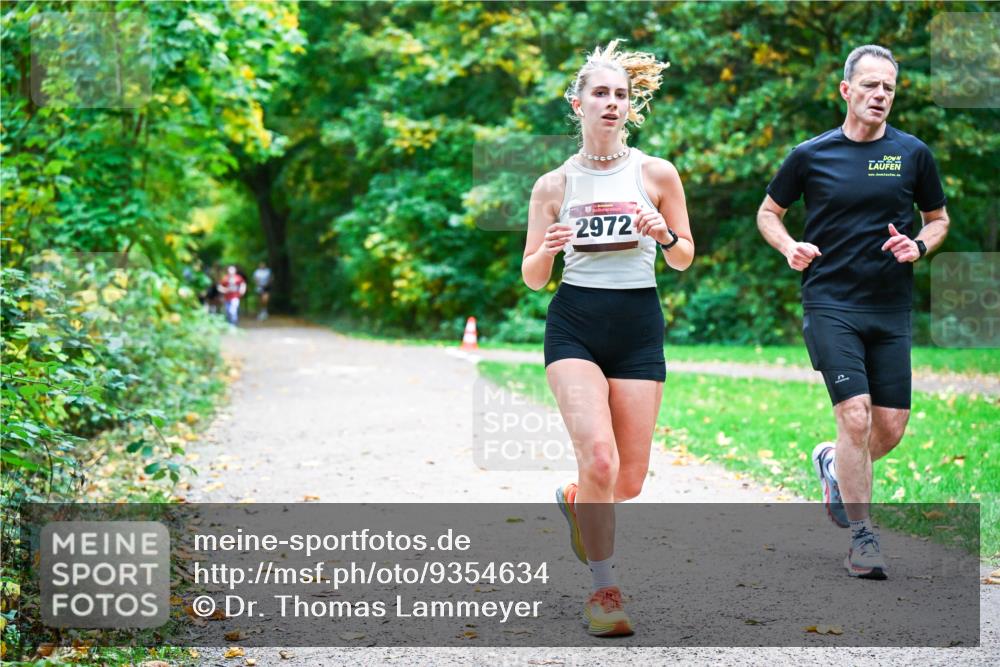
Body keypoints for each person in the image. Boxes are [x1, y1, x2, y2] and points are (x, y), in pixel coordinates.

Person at [756, 45, 949, 580]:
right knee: (856, 416)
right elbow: (769, 212)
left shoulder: (913, 154)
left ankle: (830, 464)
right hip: (830, 301)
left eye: (888, 87)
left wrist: (921, 245)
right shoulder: (811, 154)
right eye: (870, 85)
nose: (880, 95)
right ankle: (863, 538)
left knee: (888, 428)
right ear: (846, 90)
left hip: (889, 306)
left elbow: (938, 218)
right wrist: (788, 246)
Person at [521, 40, 692, 636]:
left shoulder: (656, 174)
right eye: (600, 93)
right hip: (575, 324)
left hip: (639, 325)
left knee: (627, 481)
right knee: (600, 456)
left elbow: (684, 259)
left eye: (621, 94)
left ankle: (576, 498)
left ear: (630, 106)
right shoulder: (552, 184)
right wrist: (546, 249)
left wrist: (665, 233)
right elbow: (534, 277)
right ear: (577, 104)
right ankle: (604, 591)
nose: (611, 103)